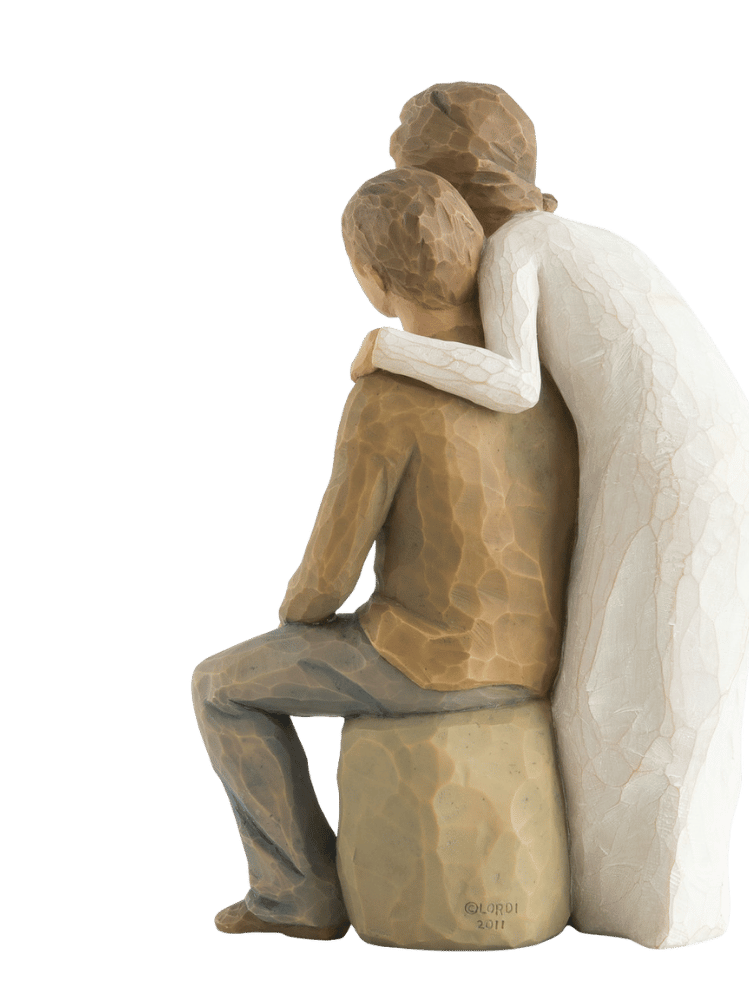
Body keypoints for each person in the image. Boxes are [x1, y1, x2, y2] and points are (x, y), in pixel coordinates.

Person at [351, 82, 749, 949]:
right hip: (719, 464)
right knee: (675, 682)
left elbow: (514, 383)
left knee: (620, 684)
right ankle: (664, 899)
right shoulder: (588, 237)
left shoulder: (519, 248)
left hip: (668, 475)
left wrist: (392, 349)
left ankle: (641, 902)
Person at [191, 166, 578, 941]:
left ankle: (296, 895)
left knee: (220, 687)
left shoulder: (388, 393)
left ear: (372, 278)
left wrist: (298, 612)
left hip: (426, 661)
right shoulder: (542, 383)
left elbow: (328, 578)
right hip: (537, 656)